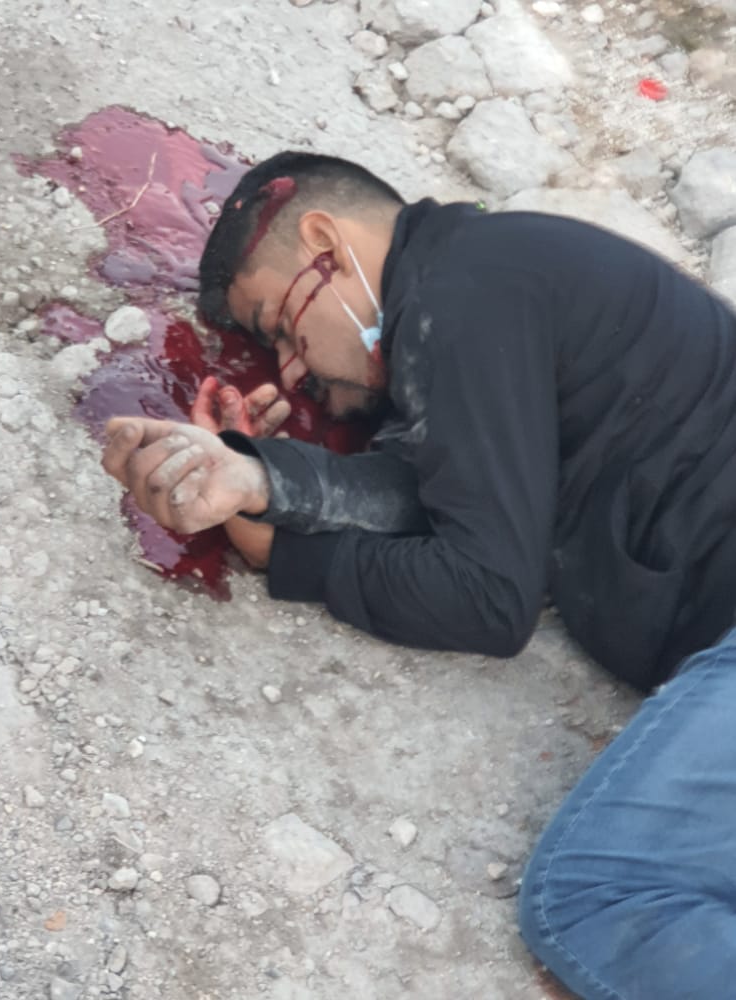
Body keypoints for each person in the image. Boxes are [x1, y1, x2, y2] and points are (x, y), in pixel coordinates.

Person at [102, 152, 736, 999]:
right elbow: (447, 495)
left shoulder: (464, 290)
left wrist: (288, 555)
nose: (291, 369)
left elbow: (488, 596)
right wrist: (259, 477)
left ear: (326, 241)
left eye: (282, 327)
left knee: (599, 901)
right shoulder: (491, 280)